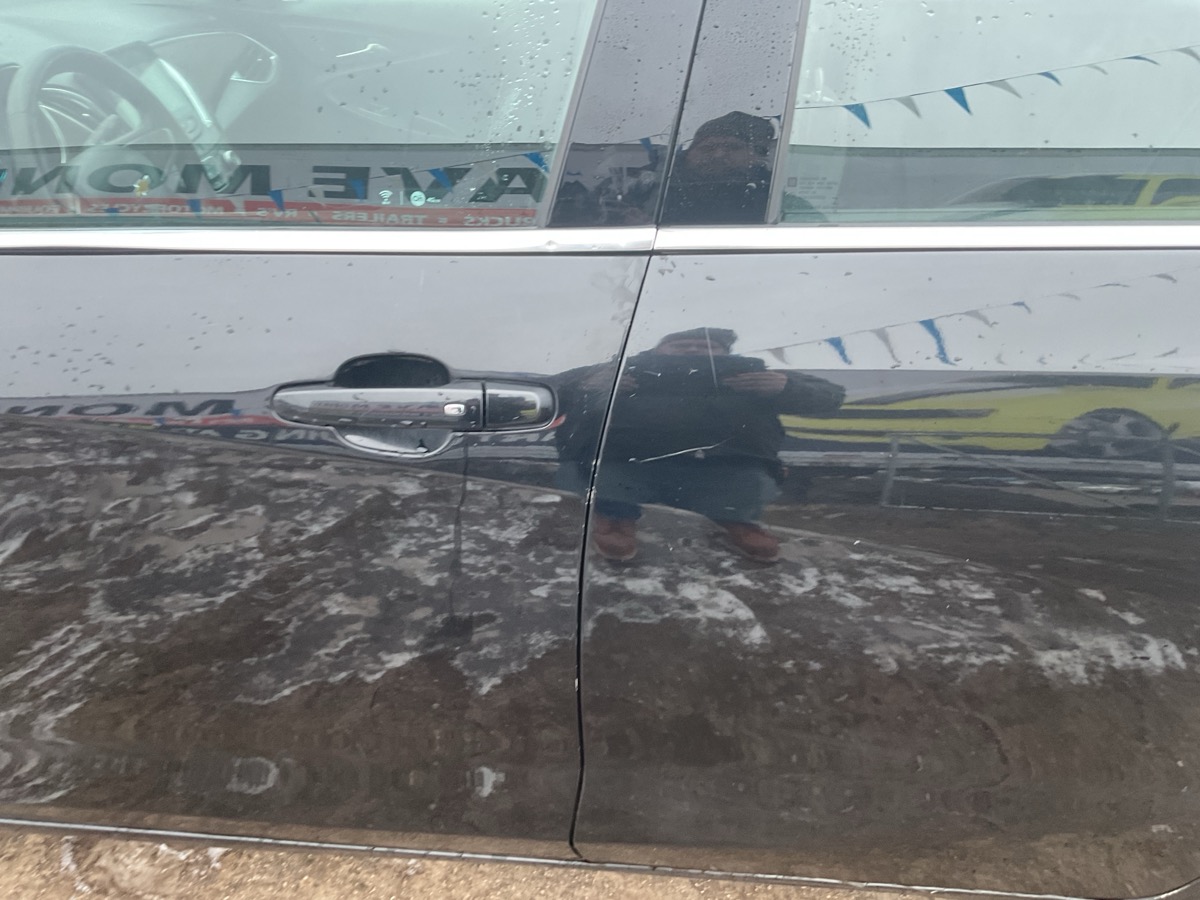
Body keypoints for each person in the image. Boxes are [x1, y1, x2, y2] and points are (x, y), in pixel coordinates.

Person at [555, 328, 844, 562]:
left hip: (722, 466)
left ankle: (738, 521)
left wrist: (785, 388)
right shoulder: (620, 369)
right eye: (680, 345)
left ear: (725, 353)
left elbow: (831, 396)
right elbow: (552, 389)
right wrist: (589, 387)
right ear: (657, 349)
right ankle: (615, 519)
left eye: (706, 346)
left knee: (745, 481)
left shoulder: (753, 373)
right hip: (626, 462)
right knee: (608, 475)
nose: (693, 349)